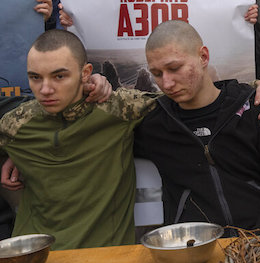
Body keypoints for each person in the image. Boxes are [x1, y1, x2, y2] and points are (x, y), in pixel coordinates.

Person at [134, 21, 260, 232]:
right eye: (157, 74)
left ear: (203, 57)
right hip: (192, 250)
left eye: (174, 68)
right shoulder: (154, 124)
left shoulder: (256, 107)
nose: (167, 83)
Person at [0, 30, 158, 249]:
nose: (45, 89)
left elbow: (185, 100)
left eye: (59, 76)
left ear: (86, 73)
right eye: (35, 77)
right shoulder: (15, 125)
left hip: (105, 262)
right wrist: (9, 155)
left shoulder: (120, 109)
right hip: (36, 262)